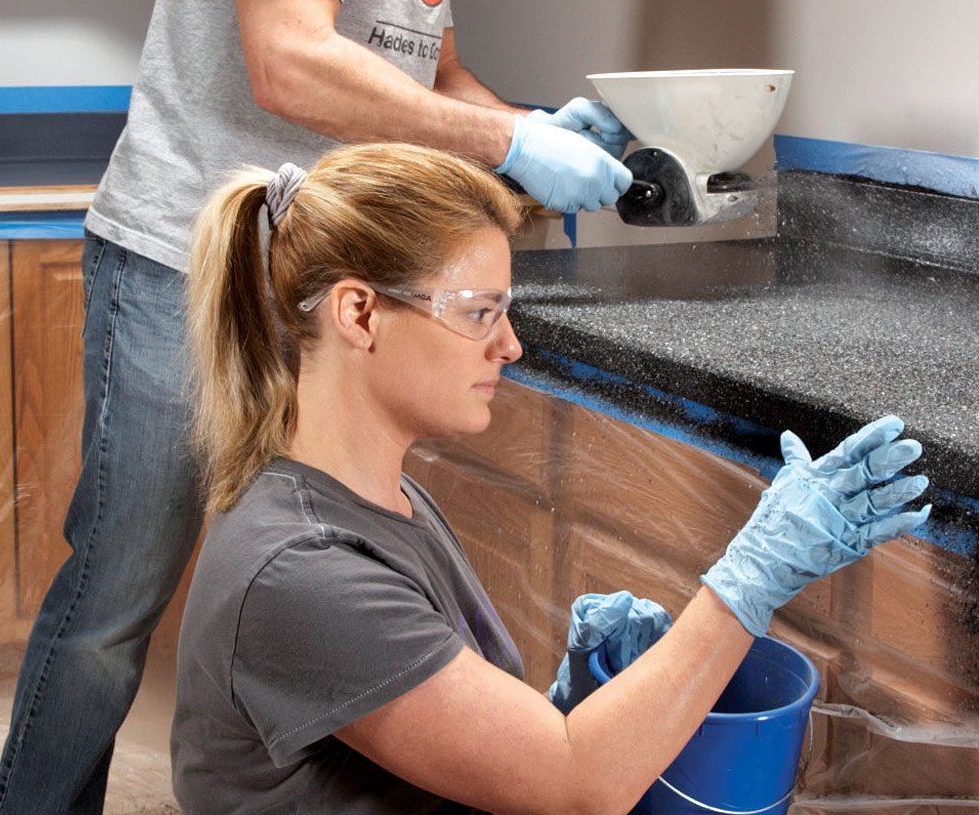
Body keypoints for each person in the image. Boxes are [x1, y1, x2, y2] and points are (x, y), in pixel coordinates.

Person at [0, 0, 627, 811]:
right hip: (183, 261)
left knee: (301, 579)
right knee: (115, 604)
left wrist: (530, 128)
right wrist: (507, 142)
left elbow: (422, 73)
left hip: (303, 282)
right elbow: (288, 62)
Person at [168, 142, 931, 811]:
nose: (510, 346)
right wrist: (749, 582)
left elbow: (508, 750)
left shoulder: (380, 498)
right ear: (359, 314)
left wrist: (574, 707)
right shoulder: (302, 572)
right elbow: (576, 787)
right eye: (479, 314)